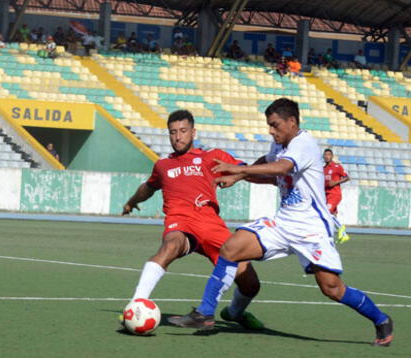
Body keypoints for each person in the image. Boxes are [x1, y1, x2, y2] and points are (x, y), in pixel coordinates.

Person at [167, 98, 394, 347]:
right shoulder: (280, 145)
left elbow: (282, 168)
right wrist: (240, 175)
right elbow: (272, 170)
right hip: (284, 223)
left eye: (275, 125)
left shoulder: (303, 143)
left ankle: (381, 319)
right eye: (269, 126)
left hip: (312, 229)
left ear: (292, 122)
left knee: (332, 288)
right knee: (231, 248)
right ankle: (205, 313)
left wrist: (238, 169)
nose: (271, 131)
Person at [122, 109, 263, 330]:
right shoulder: (162, 166)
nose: (178, 137)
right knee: (171, 245)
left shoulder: (210, 157)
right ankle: (135, 304)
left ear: (193, 132)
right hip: (180, 221)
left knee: (251, 284)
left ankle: (235, 312)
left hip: (211, 225)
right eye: (173, 132)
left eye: (183, 131)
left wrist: (236, 175)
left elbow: (245, 170)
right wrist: (131, 202)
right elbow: (148, 187)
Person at [323, 148, 350, 243]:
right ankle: (341, 236)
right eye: (325, 155)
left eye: (329, 155)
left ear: (332, 156)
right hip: (326, 196)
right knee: (332, 215)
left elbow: (347, 177)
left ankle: (341, 228)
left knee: (326, 213)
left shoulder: (337, 167)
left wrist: (335, 183)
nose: (327, 156)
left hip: (335, 194)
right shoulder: (323, 169)